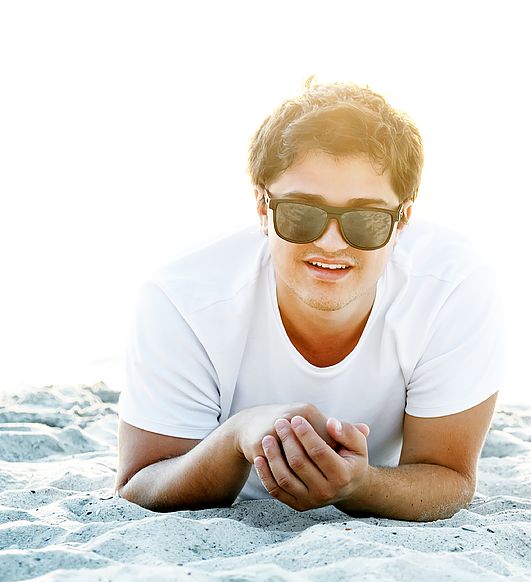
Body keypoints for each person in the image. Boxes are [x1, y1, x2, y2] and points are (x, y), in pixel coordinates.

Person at [114, 79, 505, 522]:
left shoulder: (453, 288)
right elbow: (140, 483)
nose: (331, 243)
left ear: (403, 221)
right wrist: (238, 436)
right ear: (263, 208)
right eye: (302, 212)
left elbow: (450, 478)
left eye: (365, 219)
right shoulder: (183, 298)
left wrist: (361, 485)